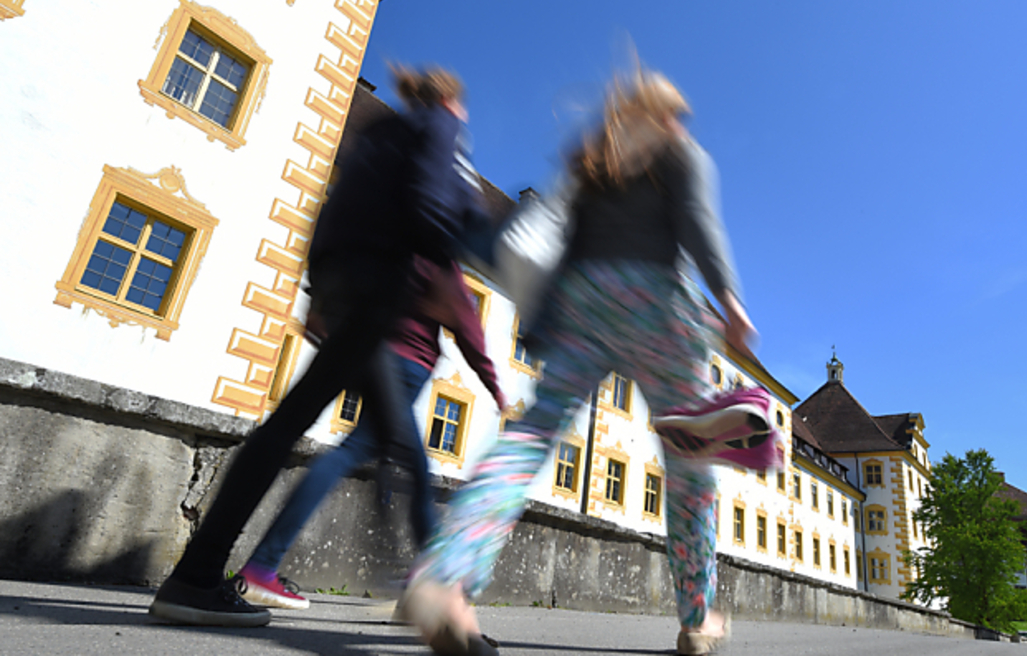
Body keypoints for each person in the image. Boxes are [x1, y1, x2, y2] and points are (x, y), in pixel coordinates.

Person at [396, 69, 755, 656]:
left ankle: (447, 574)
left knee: (532, 435)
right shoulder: (680, 152)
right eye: (677, 114)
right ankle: (697, 617)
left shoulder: (592, 159)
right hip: (659, 306)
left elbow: (554, 235)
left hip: (583, 304)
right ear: (667, 114)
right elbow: (698, 222)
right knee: (690, 462)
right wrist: (731, 300)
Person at [149, 66, 487, 627]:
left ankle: (200, 574)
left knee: (298, 428)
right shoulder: (441, 126)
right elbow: (431, 204)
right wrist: (449, 257)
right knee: (402, 453)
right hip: (381, 292)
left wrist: (318, 293)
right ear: (451, 100)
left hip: (343, 285)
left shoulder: (377, 134)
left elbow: (327, 211)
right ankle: (441, 599)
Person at [237, 256, 506, 610]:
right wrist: (493, 385)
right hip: (406, 365)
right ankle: (430, 586)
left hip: (369, 349)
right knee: (391, 462)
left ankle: (424, 584)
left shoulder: (399, 243)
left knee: (373, 456)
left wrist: (320, 303)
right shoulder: (438, 252)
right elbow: (467, 323)